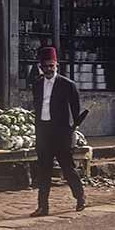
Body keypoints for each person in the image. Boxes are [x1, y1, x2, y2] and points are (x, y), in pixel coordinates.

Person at [30, 47, 86, 217]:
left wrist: (72, 131)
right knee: (44, 171)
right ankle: (43, 207)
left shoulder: (68, 85)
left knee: (67, 168)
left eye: (51, 66)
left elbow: (76, 111)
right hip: (43, 131)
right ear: (41, 66)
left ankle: (80, 197)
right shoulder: (37, 84)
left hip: (61, 132)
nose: (48, 69)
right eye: (45, 66)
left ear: (56, 65)